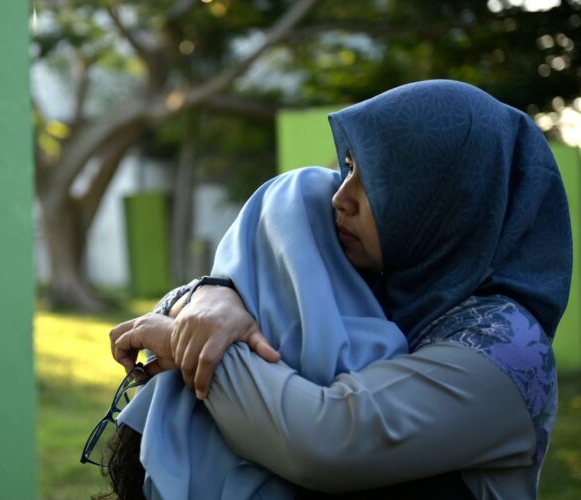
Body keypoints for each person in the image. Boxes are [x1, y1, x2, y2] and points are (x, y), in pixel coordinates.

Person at [103, 80, 572, 498]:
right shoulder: (388, 286)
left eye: (377, 182)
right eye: (349, 168)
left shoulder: (507, 348)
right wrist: (210, 294)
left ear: (450, 201)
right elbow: (265, 270)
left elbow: (323, 442)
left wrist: (180, 340)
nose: (341, 198)